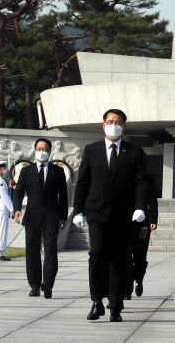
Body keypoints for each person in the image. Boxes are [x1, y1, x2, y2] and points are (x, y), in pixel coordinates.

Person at [72, 108, 149, 323]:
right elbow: (83, 182)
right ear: (103, 124)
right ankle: (97, 301)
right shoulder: (92, 150)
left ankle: (115, 305)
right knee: (97, 253)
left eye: (117, 122)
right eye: (109, 121)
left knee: (119, 258)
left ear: (124, 126)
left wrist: (140, 207)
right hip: (96, 212)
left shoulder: (134, 152)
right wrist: (77, 210)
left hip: (124, 215)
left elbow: (141, 182)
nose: (113, 125)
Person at [13, 137, 68, 298]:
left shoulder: (57, 171)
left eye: (45, 149)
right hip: (32, 217)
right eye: (39, 149)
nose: (41, 151)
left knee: (50, 251)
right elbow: (19, 191)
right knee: (32, 252)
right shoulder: (26, 171)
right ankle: (35, 285)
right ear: (34, 150)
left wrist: (63, 216)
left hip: (51, 217)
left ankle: (48, 284)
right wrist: (16, 209)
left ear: (50, 152)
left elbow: (63, 196)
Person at [126, 174, 158, 299]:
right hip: (126, 223)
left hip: (143, 222)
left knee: (140, 256)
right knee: (126, 256)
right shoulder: (123, 173)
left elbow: (152, 200)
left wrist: (153, 220)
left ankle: (139, 279)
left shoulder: (148, 177)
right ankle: (127, 288)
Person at [0, 159, 14, 261]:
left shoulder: (0, 179)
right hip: (1, 204)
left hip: (2, 205)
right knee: (1, 228)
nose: (5, 170)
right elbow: (3, 194)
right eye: (4, 168)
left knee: (2, 229)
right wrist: (12, 208)